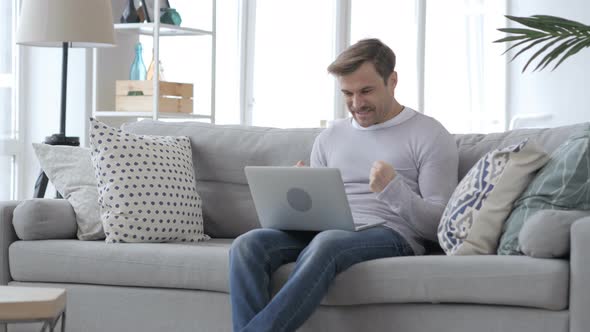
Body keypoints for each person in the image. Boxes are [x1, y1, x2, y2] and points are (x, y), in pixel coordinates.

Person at [229, 38, 459, 332]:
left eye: (366, 91)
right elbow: (315, 212)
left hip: (391, 234)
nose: (357, 104)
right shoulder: (330, 136)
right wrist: (299, 188)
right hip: (329, 230)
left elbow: (440, 228)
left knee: (328, 243)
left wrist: (394, 191)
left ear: (393, 80)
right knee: (248, 245)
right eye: (347, 94)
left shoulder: (429, 134)